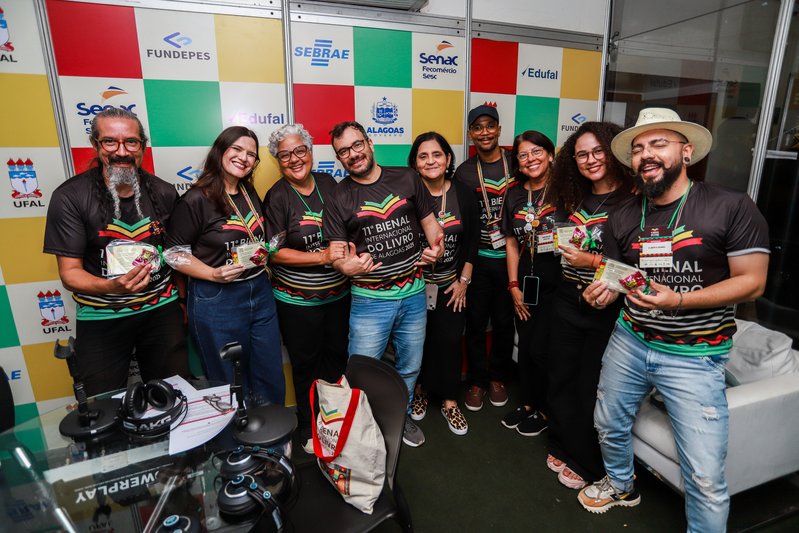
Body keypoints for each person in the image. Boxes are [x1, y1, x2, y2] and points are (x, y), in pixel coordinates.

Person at [578, 108, 770, 532]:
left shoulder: (730, 206)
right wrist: (604, 288)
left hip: (695, 356)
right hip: (630, 340)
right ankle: (620, 484)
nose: (646, 154)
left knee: (704, 474)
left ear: (686, 152)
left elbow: (753, 282)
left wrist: (679, 299)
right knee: (608, 422)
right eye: (638, 148)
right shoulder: (624, 215)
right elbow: (616, 272)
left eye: (658, 144)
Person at [43, 107, 188, 396]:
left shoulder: (164, 192)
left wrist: (182, 301)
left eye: (131, 142)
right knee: (102, 405)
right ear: (96, 145)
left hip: (161, 310)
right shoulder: (70, 197)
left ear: (142, 146)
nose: (121, 151)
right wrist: (112, 286)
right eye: (110, 141)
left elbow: (176, 255)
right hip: (101, 316)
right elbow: (70, 273)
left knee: (172, 396)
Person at [325, 121, 444, 448]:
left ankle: (399, 419)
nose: (353, 154)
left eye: (357, 145)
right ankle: (362, 432)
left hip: (414, 294)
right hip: (370, 300)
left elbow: (432, 226)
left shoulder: (407, 178)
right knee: (362, 373)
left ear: (370, 143)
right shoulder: (338, 196)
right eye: (344, 151)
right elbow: (337, 253)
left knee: (409, 367)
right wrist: (345, 265)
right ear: (339, 158)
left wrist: (438, 247)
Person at [167, 126, 285, 406]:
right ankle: (234, 434)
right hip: (217, 298)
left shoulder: (247, 192)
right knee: (227, 380)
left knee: (269, 373)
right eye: (237, 149)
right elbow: (173, 254)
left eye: (251, 154)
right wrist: (212, 273)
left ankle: (272, 431)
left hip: (259, 290)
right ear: (220, 151)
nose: (244, 158)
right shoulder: (196, 199)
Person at [545, 122, 634, 490]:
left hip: (608, 306)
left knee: (590, 384)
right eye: (582, 154)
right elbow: (564, 246)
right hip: (568, 297)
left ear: (613, 153)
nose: (590, 160)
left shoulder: (633, 200)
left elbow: (638, 269)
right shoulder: (573, 197)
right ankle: (562, 443)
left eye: (598, 151)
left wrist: (592, 262)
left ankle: (585, 459)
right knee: (560, 375)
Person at [263, 124, 349, 444]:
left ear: (311, 152)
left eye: (300, 150)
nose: (295, 159)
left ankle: (336, 423)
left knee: (337, 359)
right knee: (306, 366)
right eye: (285, 155)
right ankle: (309, 427)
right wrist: (322, 257)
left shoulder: (328, 183)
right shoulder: (277, 196)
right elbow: (274, 253)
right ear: (278, 161)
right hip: (298, 303)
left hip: (338, 296)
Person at [407, 132, 479, 436]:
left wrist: (464, 281)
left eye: (437, 154)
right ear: (414, 163)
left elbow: (472, 240)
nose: (430, 161)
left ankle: (450, 400)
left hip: (451, 284)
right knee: (417, 343)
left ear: (448, 158)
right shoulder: (407, 195)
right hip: (415, 287)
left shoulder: (464, 193)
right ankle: (421, 390)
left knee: (449, 342)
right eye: (423, 156)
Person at [454, 104, 517, 411]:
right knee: (476, 323)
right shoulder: (465, 172)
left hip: (511, 258)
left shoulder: (517, 163)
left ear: (499, 129)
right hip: (477, 259)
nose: (484, 132)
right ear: (470, 134)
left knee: (505, 322)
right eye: (477, 127)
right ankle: (478, 380)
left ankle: (498, 377)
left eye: (490, 126)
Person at [500, 131, 561, 437]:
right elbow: (511, 243)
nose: (530, 159)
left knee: (544, 349)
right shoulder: (513, 195)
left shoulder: (566, 191)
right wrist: (513, 285)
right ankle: (528, 403)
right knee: (525, 345)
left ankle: (547, 409)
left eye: (537, 152)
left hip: (560, 281)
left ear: (550, 154)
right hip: (525, 278)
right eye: (523, 155)